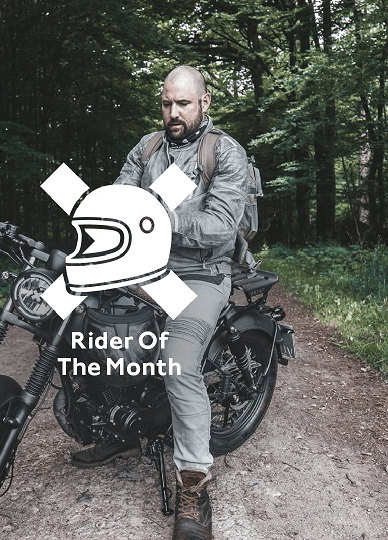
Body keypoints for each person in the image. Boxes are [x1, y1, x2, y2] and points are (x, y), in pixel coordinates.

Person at [71, 65, 248, 540]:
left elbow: (220, 228)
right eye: (167, 103)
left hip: (198, 274)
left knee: (175, 361)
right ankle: (115, 426)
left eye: (184, 104)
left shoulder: (223, 152)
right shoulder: (147, 148)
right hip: (140, 267)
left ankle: (194, 485)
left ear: (204, 104)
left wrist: (155, 223)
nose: (174, 112)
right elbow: (119, 198)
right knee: (81, 323)